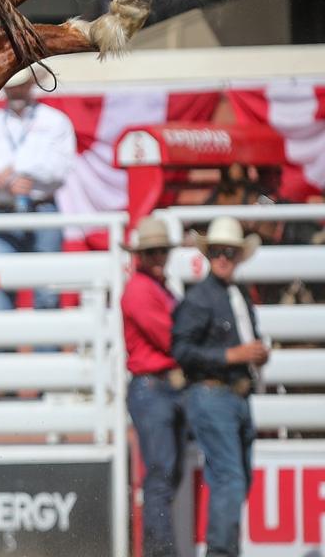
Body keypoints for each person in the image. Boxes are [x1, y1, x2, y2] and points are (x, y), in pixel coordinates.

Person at [172, 217, 267, 557]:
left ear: (237, 255)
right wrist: (233, 355)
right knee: (231, 479)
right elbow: (181, 350)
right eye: (216, 252)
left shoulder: (236, 295)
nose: (222, 258)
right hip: (212, 394)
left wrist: (252, 355)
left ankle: (223, 550)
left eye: (227, 252)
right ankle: (221, 553)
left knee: (236, 479)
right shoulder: (200, 298)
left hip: (234, 395)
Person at [0, 71, 76, 310]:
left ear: (31, 84)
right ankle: (4, 346)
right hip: (5, 210)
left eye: (20, 85)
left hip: (42, 207)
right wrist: (0, 184)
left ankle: (47, 348)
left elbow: (61, 169)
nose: (15, 91)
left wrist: (14, 174)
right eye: (10, 86)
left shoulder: (55, 121)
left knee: (47, 291)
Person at [121, 217, 185, 557]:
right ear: (141, 255)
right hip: (153, 388)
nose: (159, 256)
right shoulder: (140, 290)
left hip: (161, 388)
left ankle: (160, 548)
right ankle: (161, 552)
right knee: (161, 476)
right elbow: (169, 337)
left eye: (162, 250)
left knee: (166, 475)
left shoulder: (156, 287)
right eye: (153, 252)